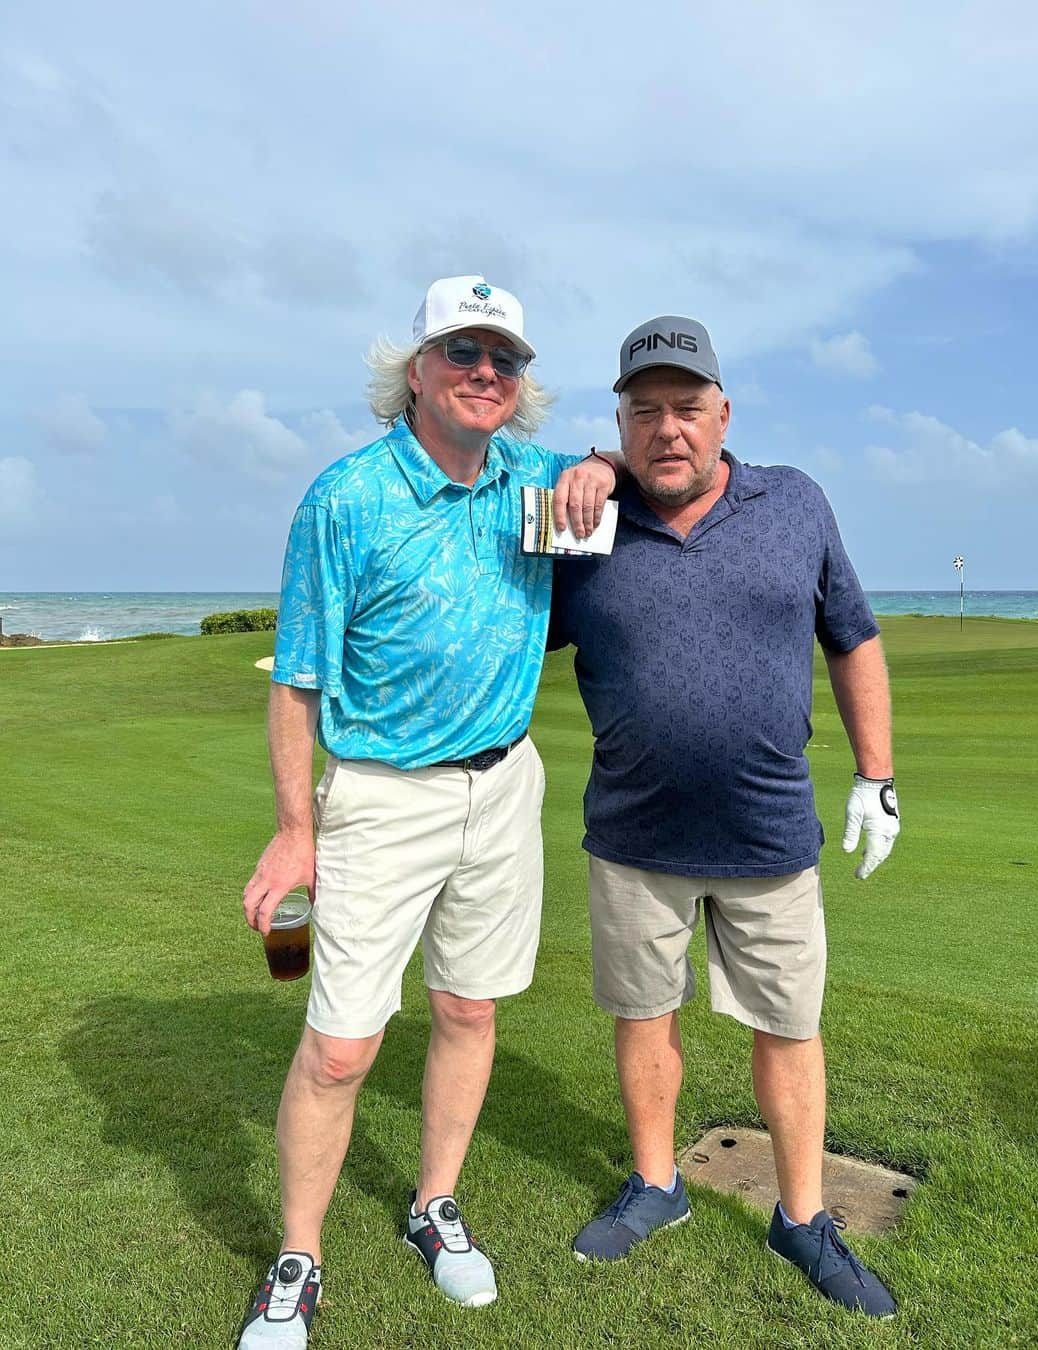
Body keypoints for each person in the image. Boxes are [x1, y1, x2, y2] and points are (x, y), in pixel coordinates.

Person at [237, 276, 619, 1346]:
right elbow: (297, 677)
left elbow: (635, 469)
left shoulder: (535, 482)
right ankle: (299, 1257)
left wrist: (600, 459)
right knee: (342, 1048)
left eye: (505, 359)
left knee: (469, 1009)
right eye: (462, 352)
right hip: (379, 798)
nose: (485, 373)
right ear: (415, 371)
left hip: (502, 787)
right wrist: (296, 826)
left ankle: (432, 1204)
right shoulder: (347, 497)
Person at [549, 315, 901, 1318]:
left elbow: (853, 637)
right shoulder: (586, 520)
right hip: (633, 835)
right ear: (619, 422)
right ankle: (658, 1184)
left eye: (687, 408)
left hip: (767, 833)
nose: (669, 429)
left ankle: (801, 1216)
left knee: (788, 1027)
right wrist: (578, 471)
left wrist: (877, 775)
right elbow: (501, 617)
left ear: (723, 414)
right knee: (641, 1017)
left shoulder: (794, 502)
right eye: (644, 410)